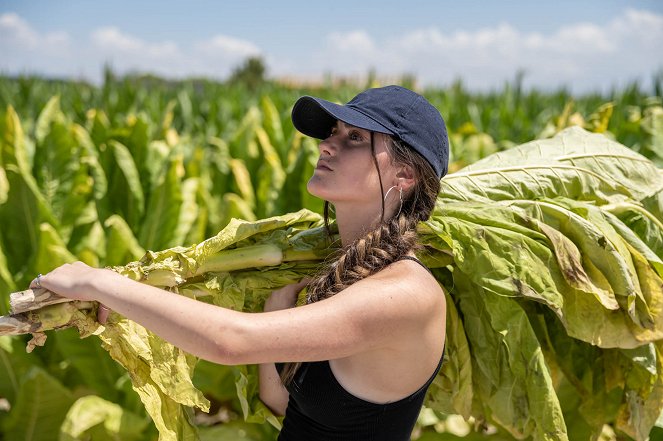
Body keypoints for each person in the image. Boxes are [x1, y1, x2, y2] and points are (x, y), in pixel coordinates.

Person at [30, 85, 449, 440]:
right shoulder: (342, 271)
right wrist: (276, 312)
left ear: (405, 175)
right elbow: (286, 406)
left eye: (355, 137)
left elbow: (232, 341)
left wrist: (99, 283)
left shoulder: (406, 295)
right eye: (333, 131)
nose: (327, 144)